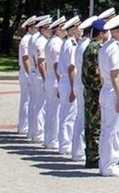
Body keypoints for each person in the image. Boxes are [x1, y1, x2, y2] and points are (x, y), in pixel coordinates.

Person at [98, 13, 119, 177]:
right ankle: (110, 165)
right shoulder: (115, 49)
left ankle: (104, 163)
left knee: (106, 129)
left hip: (107, 89)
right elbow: (115, 74)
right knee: (114, 129)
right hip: (114, 89)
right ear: (117, 31)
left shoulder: (105, 47)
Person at [82, 17, 109, 168]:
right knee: (95, 126)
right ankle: (94, 157)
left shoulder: (89, 46)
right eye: (106, 32)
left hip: (90, 91)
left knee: (91, 125)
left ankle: (91, 155)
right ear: (101, 34)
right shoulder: (96, 48)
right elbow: (98, 73)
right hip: (95, 91)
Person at [72, 15, 97, 161]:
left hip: (81, 82)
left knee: (81, 116)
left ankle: (78, 150)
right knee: (85, 118)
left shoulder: (82, 43)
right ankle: (80, 150)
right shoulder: (88, 46)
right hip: (86, 83)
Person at [57, 15, 80, 156]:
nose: (80, 31)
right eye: (78, 28)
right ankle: (66, 144)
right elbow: (72, 68)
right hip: (68, 81)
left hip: (65, 81)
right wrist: (73, 88)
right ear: (73, 30)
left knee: (67, 113)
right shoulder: (71, 44)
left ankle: (65, 143)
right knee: (69, 115)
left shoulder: (68, 43)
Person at [43, 15, 66, 150]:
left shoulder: (52, 42)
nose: (64, 31)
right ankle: (52, 139)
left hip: (51, 77)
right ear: (57, 29)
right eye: (63, 28)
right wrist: (60, 82)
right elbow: (57, 65)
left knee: (51, 110)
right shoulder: (56, 43)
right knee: (55, 111)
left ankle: (49, 138)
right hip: (55, 78)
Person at [28, 15, 51, 143]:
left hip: (35, 74)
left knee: (37, 104)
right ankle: (38, 133)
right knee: (41, 106)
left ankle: (34, 131)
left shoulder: (36, 39)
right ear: (42, 29)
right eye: (48, 28)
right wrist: (46, 79)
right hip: (39, 75)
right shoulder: (41, 41)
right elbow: (41, 63)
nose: (51, 30)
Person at [16, 15, 37, 135]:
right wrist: (30, 74)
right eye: (35, 27)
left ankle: (26, 126)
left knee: (29, 100)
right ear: (30, 28)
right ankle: (23, 126)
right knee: (27, 100)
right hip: (26, 72)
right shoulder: (27, 40)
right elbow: (25, 58)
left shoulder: (31, 39)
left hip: (27, 72)